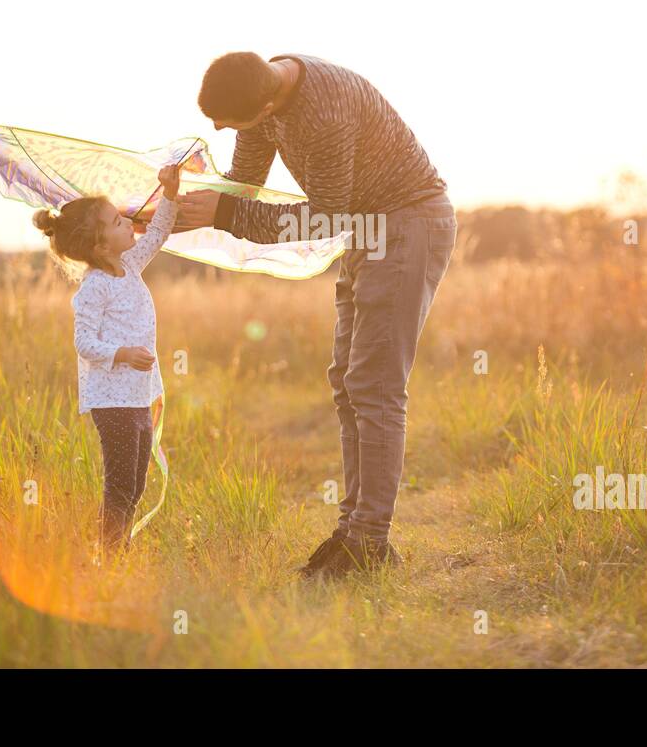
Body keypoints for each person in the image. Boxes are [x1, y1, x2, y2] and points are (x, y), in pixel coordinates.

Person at [180, 51, 456, 577]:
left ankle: (369, 543)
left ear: (264, 104)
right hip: (369, 229)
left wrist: (225, 213)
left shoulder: (322, 114)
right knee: (347, 382)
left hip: (406, 224)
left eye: (227, 120)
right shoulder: (265, 97)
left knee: (374, 385)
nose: (216, 127)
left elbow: (326, 218)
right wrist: (172, 211)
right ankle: (353, 530)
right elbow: (244, 184)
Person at [32, 163, 180, 552]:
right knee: (119, 482)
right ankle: (109, 553)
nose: (127, 222)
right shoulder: (93, 288)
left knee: (137, 481)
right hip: (111, 400)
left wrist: (171, 192)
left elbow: (160, 231)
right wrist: (123, 354)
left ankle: (118, 544)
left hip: (137, 394)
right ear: (100, 246)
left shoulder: (129, 265)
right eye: (117, 222)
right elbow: (83, 343)